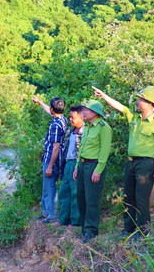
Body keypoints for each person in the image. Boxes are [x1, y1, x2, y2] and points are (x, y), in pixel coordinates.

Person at [92, 86, 154, 240]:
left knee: (141, 199)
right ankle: (128, 228)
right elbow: (120, 106)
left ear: (149, 103)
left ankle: (143, 231)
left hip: (145, 165)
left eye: (141, 99)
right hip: (131, 163)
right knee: (129, 197)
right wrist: (104, 96)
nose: (138, 101)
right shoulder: (134, 118)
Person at [73, 99, 112, 242]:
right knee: (81, 198)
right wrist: (77, 167)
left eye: (86, 110)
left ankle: (91, 231)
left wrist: (98, 170)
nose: (83, 112)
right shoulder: (88, 126)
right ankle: (84, 229)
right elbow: (81, 148)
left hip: (94, 166)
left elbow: (105, 151)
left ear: (94, 113)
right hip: (83, 165)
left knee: (91, 200)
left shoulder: (103, 127)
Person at [32, 95, 67, 223]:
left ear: (53, 109)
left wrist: (50, 166)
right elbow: (49, 110)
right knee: (46, 187)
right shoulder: (62, 119)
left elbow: (56, 147)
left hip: (52, 160)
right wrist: (39, 102)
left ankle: (51, 215)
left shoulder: (56, 125)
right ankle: (46, 212)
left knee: (50, 187)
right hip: (51, 160)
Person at [53, 105, 85, 228]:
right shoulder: (71, 131)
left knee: (75, 193)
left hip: (76, 163)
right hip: (67, 163)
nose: (70, 119)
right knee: (63, 192)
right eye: (70, 117)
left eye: (73, 117)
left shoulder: (85, 131)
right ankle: (63, 219)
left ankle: (76, 221)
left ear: (81, 117)